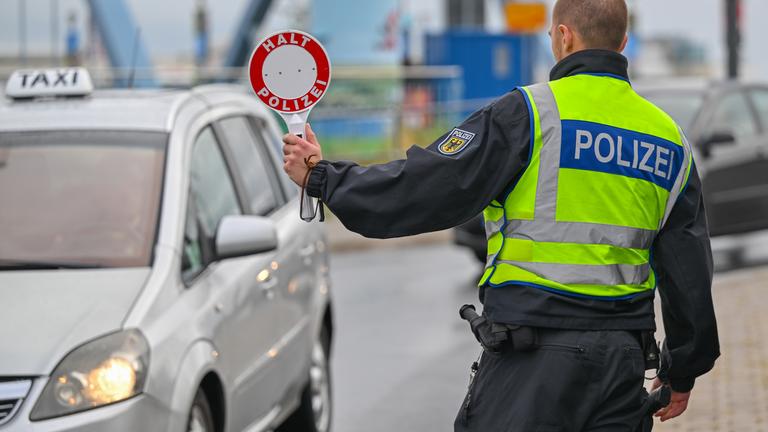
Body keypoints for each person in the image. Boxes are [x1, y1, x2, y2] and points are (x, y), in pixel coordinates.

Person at [282, 0, 720, 430]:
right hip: (621, 368)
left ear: (564, 36)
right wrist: (683, 368)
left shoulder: (529, 113)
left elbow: (426, 186)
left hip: (534, 360)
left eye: (552, 34)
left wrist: (325, 179)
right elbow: (689, 269)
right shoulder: (670, 140)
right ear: (622, 43)